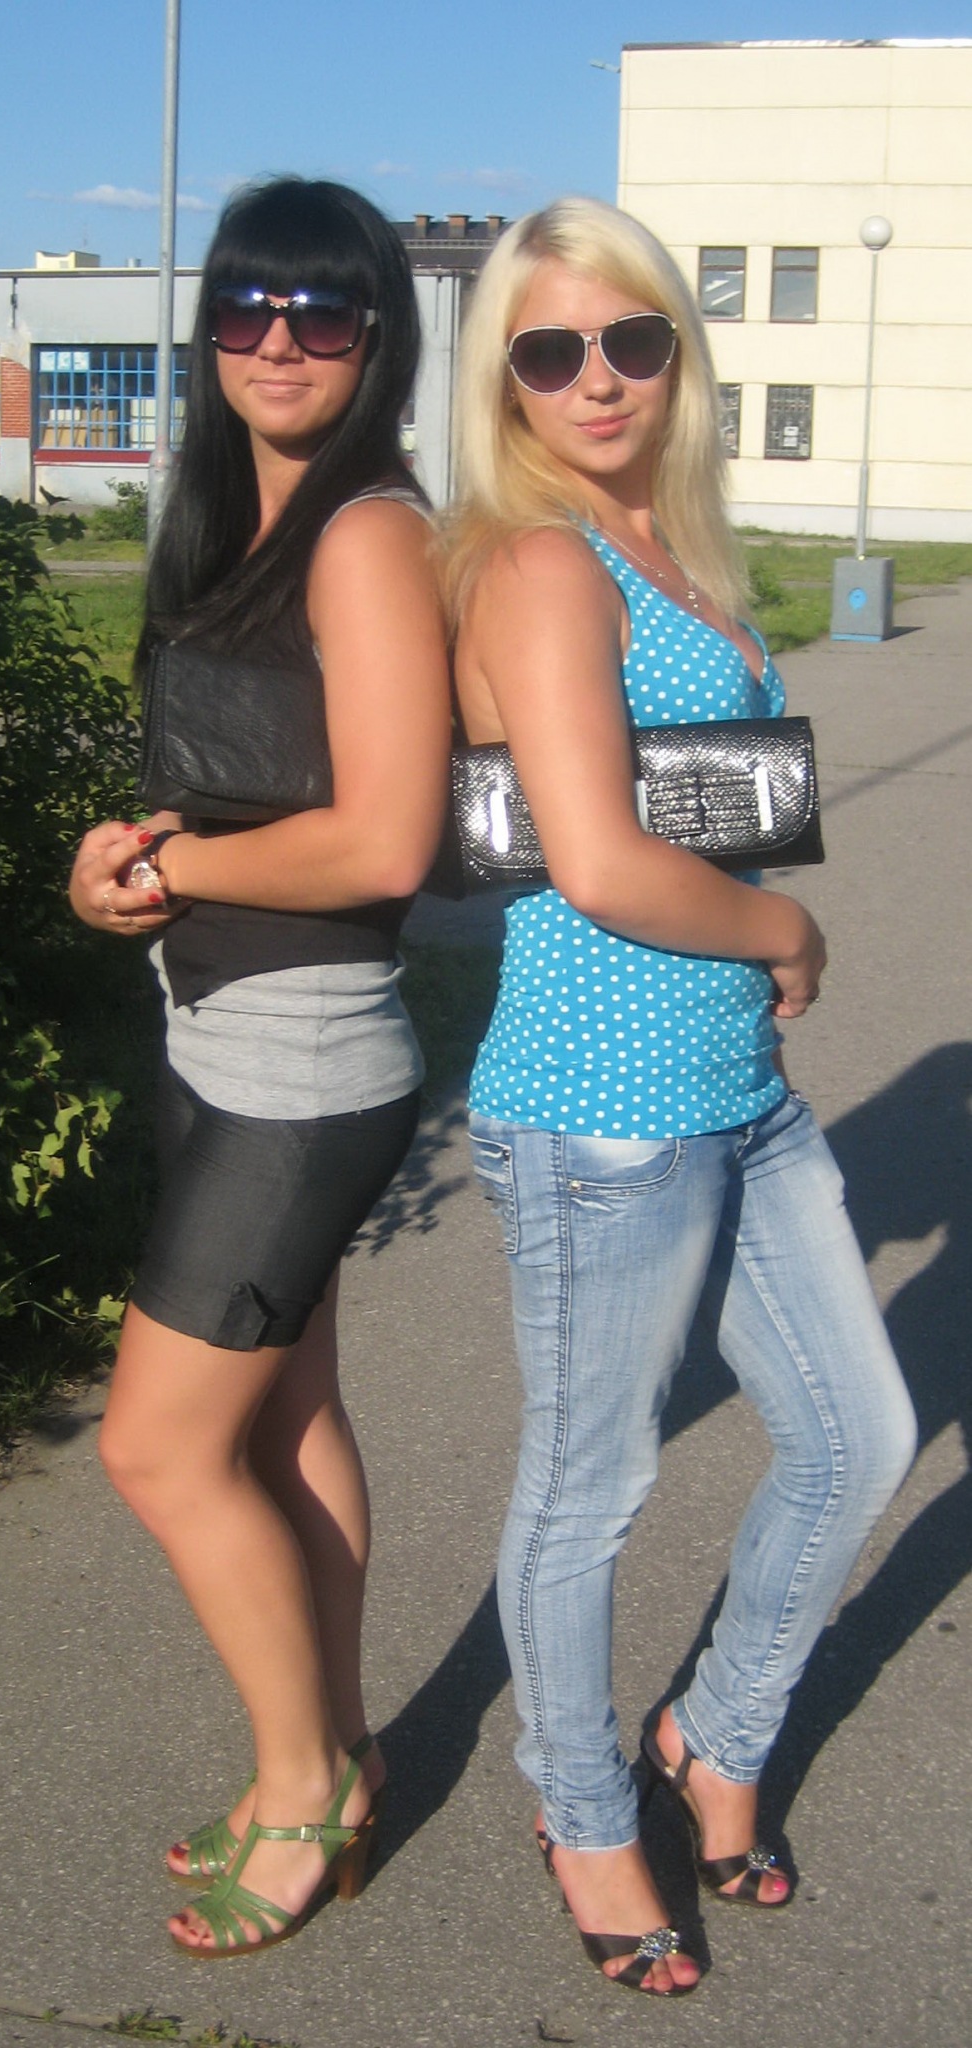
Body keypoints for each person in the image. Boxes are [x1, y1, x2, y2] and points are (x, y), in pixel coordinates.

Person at [443, 197, 916, 1997]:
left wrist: (755, 952)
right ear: (503, 375)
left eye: (629, 338)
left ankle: (713, 1737)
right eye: (548, 349)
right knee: (589, 1490)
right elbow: (598, 861)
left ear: (676, 351)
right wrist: (785, 925)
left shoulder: (666, 546)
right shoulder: (540, 562)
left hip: (736, 1090)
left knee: (856, 1434)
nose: (595, 377)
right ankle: (579, 1810)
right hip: (601, 1116)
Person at [69, 176, 449, 1957]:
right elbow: (236, 785)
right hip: (218, 1027)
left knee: (156, 1451)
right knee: (286, 1417)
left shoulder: (364, 533)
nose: (277, 340)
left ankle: (302, 1791)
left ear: (380, 333)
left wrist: (184, 867)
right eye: (245, 305)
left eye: (321, 308)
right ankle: (337, 1749)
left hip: (299, 1063)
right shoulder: (238, 522)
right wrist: (124, 865)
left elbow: (379, 840)